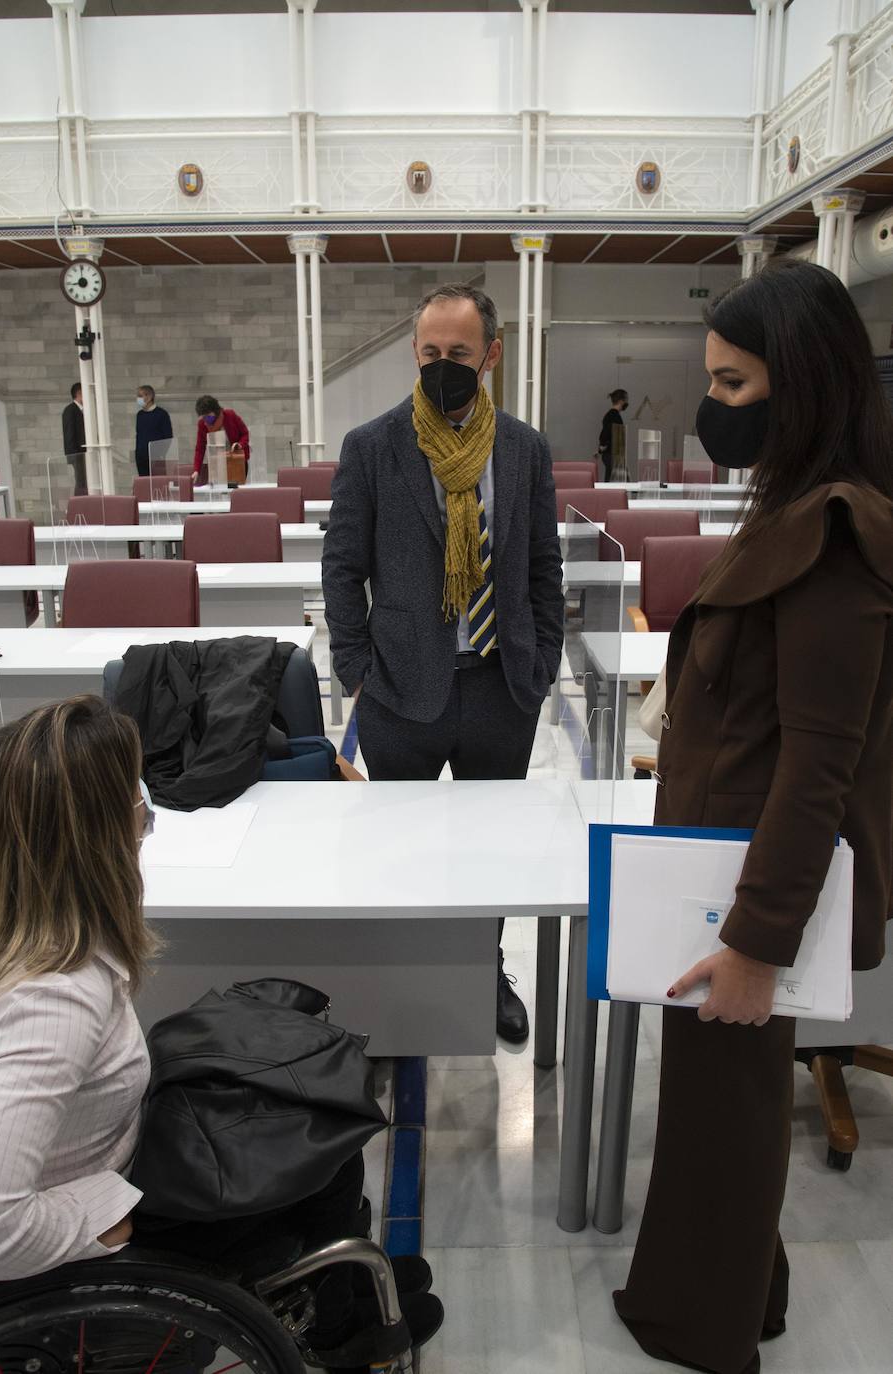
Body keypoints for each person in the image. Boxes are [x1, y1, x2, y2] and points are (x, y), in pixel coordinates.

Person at [613, 259, 893, 1374]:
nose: (713, 407)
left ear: (801, 383)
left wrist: (752, 944)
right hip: (715, 862)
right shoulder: (793, 504)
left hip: (743, 887)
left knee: (723, 1118)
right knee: (713, 1110)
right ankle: (745, 1294)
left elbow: (823, 760)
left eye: (731, 386)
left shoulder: (834, 534)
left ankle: (708, 1331)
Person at [0, 697, 441, 1371]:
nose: (147, 805)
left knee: (308, 1107)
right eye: (134, 791)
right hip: (104, 1212)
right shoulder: (53, 1000)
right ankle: (342, 1327)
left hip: (112, 1151)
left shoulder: (24, 933)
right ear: (98, 834)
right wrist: (95, 1216)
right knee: (323, 1137)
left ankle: (346, 1300)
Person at [322, 283, 564, 1044]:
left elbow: (543, 566)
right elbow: (341, 566)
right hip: (399, 688)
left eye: (459, 354)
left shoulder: (523, 448)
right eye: (430, 353)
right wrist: (357, 666)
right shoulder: (374, 445)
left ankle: (484, 969)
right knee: (398, 853)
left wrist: (543, 660)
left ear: (491, 355)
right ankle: (402, 979)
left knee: (490, 856)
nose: (442, 366)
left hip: (501, 685)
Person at [192, 394, 250, 486]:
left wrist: (239, 445)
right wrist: (196, 470)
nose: (206, 419)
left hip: (236, 461)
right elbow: (200, 449)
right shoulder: (202, 425)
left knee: (235, 491)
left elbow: (245, 433)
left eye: (208, 415)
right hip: (217, 464)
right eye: (204, 417)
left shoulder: (230, 415)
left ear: (215, 411)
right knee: (220, 492)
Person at [134, 384, 173, 477]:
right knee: (144, 485)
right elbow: (138, 435)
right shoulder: (140, 415)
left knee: (157, 485)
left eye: (140, 396)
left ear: (149, 397)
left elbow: (168, 437)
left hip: (156, 458)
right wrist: (138, 453)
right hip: (141, 458)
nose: (138, 399)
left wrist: (160, 454)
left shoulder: (162, 414)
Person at [61, 381, 87, 496]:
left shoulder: (82, 410)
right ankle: (79, 505)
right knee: (81, 481)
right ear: (79, 393)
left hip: (82, 453)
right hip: (77, 454)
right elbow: (69, 433)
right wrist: (73, 456)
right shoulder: (70, 410)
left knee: (83, 481)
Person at [597, 387, 628, 481]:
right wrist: (603, 446)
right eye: (626, 400)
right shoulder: (614, 416)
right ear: (621, 401)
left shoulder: (611, 415)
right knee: (611, 481)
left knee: (611, 479)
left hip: (612, 454)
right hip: (612, 454)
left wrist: (602, 447)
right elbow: (605, 433)